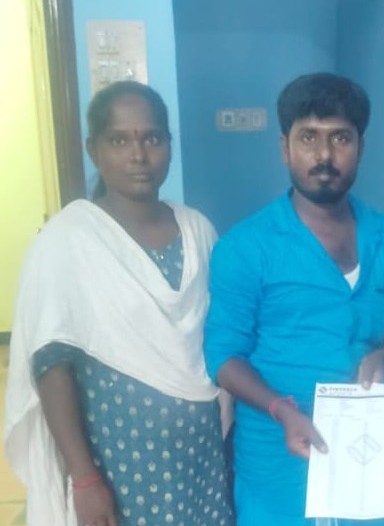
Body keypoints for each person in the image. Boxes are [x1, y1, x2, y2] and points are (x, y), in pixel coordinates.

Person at [3, 80, 234, 526]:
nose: (138, 155)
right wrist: (85, 478)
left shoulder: (198, 230)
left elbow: (219, 336)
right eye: (119, 141)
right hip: (119, 469)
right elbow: (51, 363)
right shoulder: (68, 240)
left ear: (169, 145)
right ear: (93, 149)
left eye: (152, 138)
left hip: (201, 462)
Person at [203, 72, 384, 526]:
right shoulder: (246, 246)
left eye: (340, 138)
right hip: (278, 466)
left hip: (368, 460)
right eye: (308, 137)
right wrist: (280, 409)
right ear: (284, 148)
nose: (324, 155)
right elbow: (223, 357)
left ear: (360, 146)